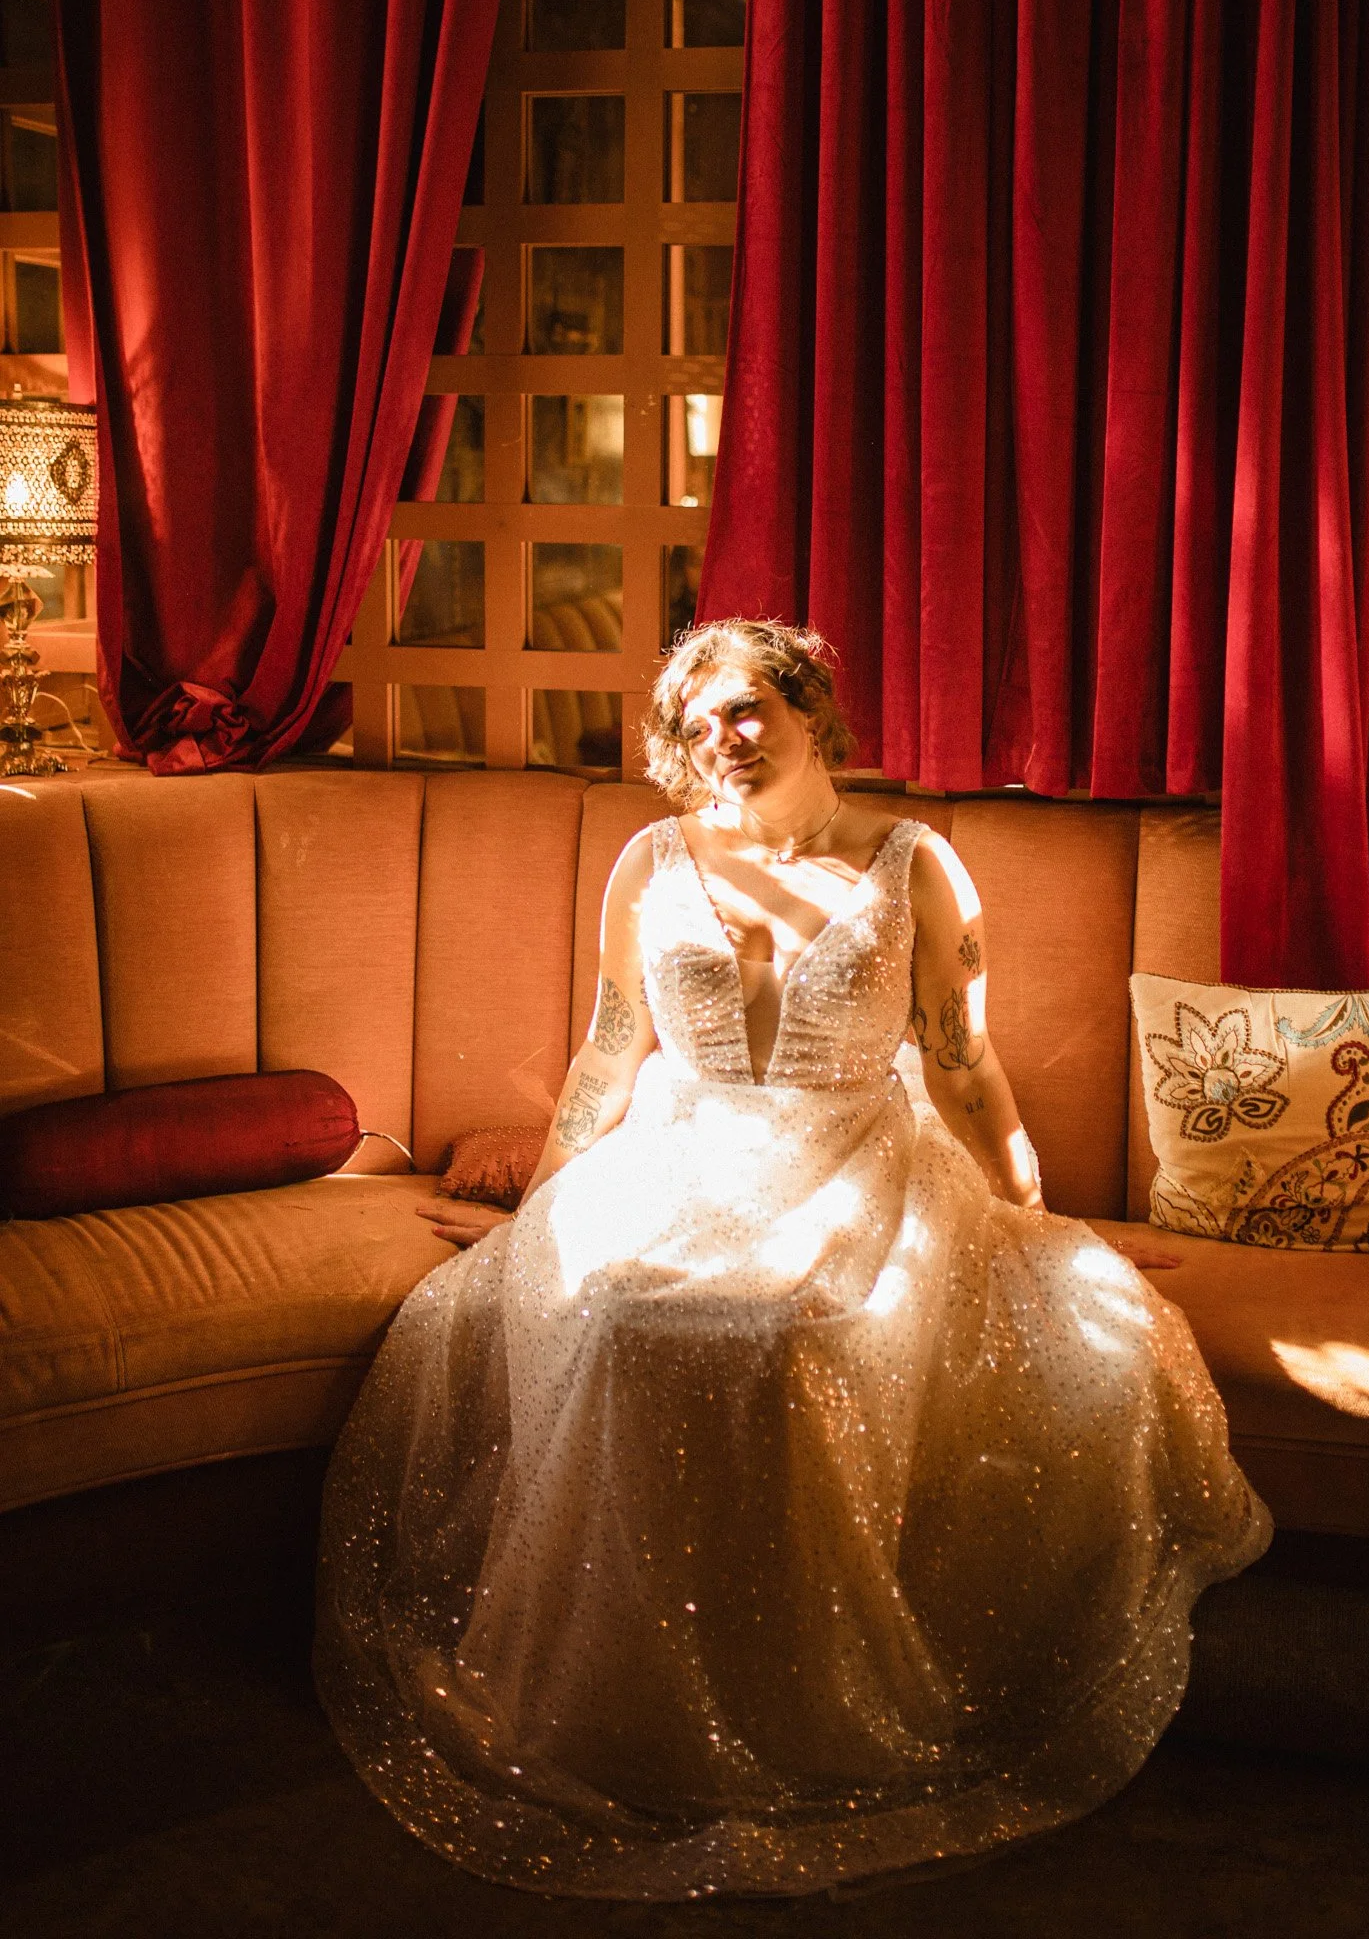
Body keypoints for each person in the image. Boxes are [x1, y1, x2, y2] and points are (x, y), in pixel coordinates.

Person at [316, 619, 1269, 1899]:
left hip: (856, 1157)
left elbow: (962, 1062)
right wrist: (538, 1208)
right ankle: (624, 1692)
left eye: (750, 708)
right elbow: (608, 1050)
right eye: (698, 722)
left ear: (817, 712)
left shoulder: (914, 863)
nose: (725, 738)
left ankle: (791, 1687)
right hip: (680, 1150)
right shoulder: (651, 860)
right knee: (608, 1315)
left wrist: (1031, 1216)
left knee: (799, 1330)